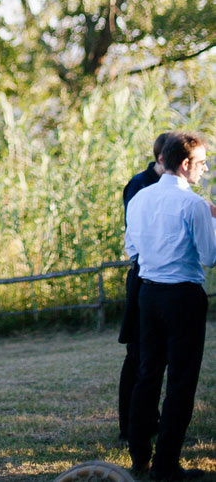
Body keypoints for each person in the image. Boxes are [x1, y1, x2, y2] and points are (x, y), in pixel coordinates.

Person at [125, 131, 216, 482]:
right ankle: (165, 465)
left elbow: (131, 248)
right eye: (203, 163)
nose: (205, 170)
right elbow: (209, 257)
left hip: (148, 295)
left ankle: (139, 456)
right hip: (183, 297)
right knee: (180, 381)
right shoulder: (193, 204)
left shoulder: (140, 199)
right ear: (184, 163)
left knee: (147, 375)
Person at [117, 132, 168, 441]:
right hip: (144, 275)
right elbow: (135, 236)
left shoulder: (166, 184)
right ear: (164, 158)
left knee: (153, 355)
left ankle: (151, 419)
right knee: (137, 355)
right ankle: (130, 425)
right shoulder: (140, 185)